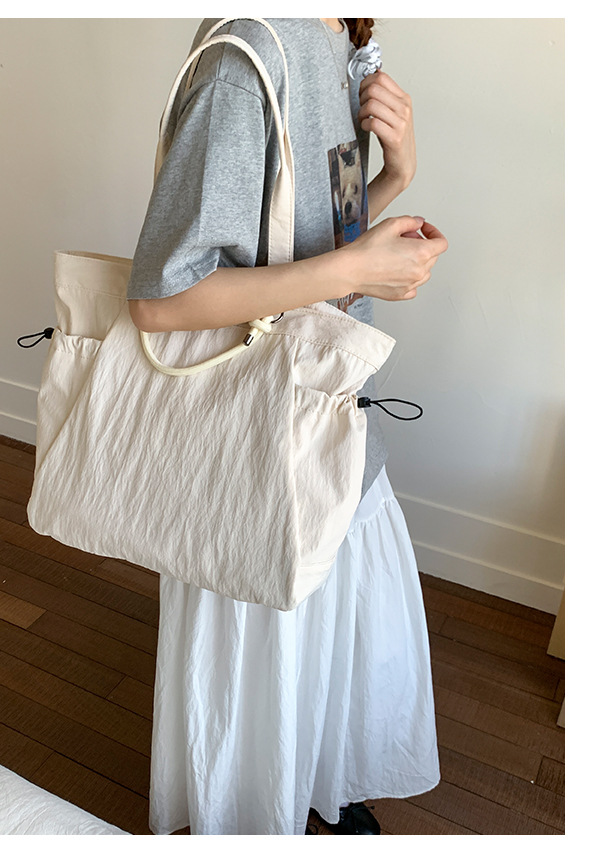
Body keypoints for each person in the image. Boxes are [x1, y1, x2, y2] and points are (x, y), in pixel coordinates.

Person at [126, 17, 448, 836]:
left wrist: (395, 178)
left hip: (325, 420)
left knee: (316, 643)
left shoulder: (337, 39)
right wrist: (357, 266)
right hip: (261, 450)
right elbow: (163, 299)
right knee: (267, 654)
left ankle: (302, 789)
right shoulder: (246, 60)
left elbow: (305, 240)